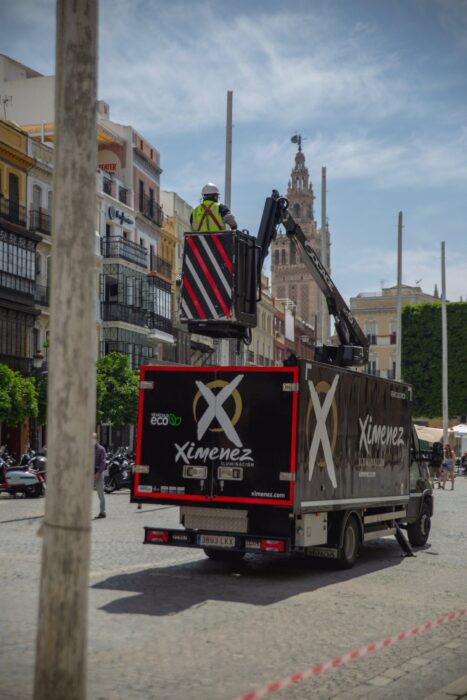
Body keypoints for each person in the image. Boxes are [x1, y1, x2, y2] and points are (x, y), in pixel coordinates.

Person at [93, 432, 107, 518]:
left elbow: (103, 462)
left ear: (97, 439)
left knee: (100, 493)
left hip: (98, 472)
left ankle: (102, 512)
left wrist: (98, 473)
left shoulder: (101, 449)